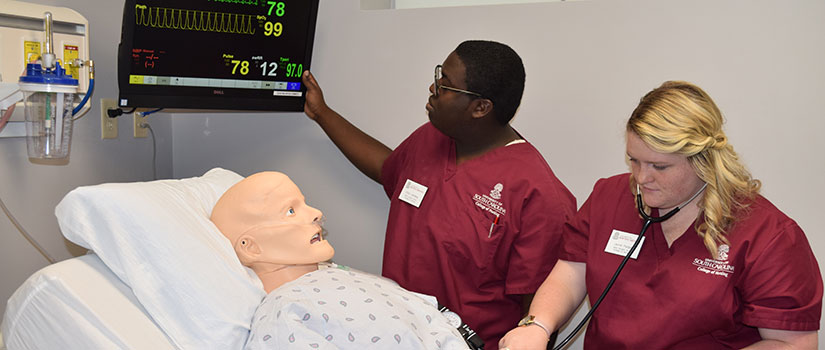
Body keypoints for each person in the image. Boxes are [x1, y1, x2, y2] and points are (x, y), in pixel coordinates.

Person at [499, 81, 823, 350]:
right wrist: (537, 325)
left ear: (703, 161)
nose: (641, 178)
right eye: (634, 160)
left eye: (660, 166)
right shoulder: (609, 197)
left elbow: (792, 342)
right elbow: (573, 270)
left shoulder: (769, 235)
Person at [302, 40, 576, 348]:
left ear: (481, 108)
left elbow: (539, 315)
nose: (432, 89)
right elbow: (388, 168)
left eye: (445, 86)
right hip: (393, 332)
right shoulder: (431, 138)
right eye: (438, 77)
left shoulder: (536, 194)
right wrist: (322, 113)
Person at [210, 171, 471, 349]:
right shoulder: (283, 312)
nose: (316, 213)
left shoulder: (336, 274)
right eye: (290, 211)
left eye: (304, 203)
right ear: (251, 247)